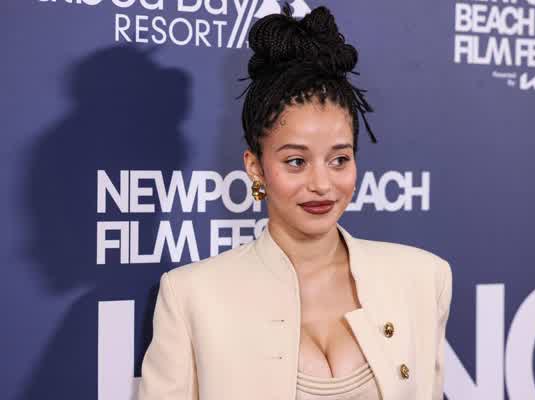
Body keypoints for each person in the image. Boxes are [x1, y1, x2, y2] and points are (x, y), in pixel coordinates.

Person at [138, 4, 452, 400]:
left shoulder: (423, 278)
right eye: (296, 162)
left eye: (339, 159)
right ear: (255, 167)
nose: (321, 184)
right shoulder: (191, 297)